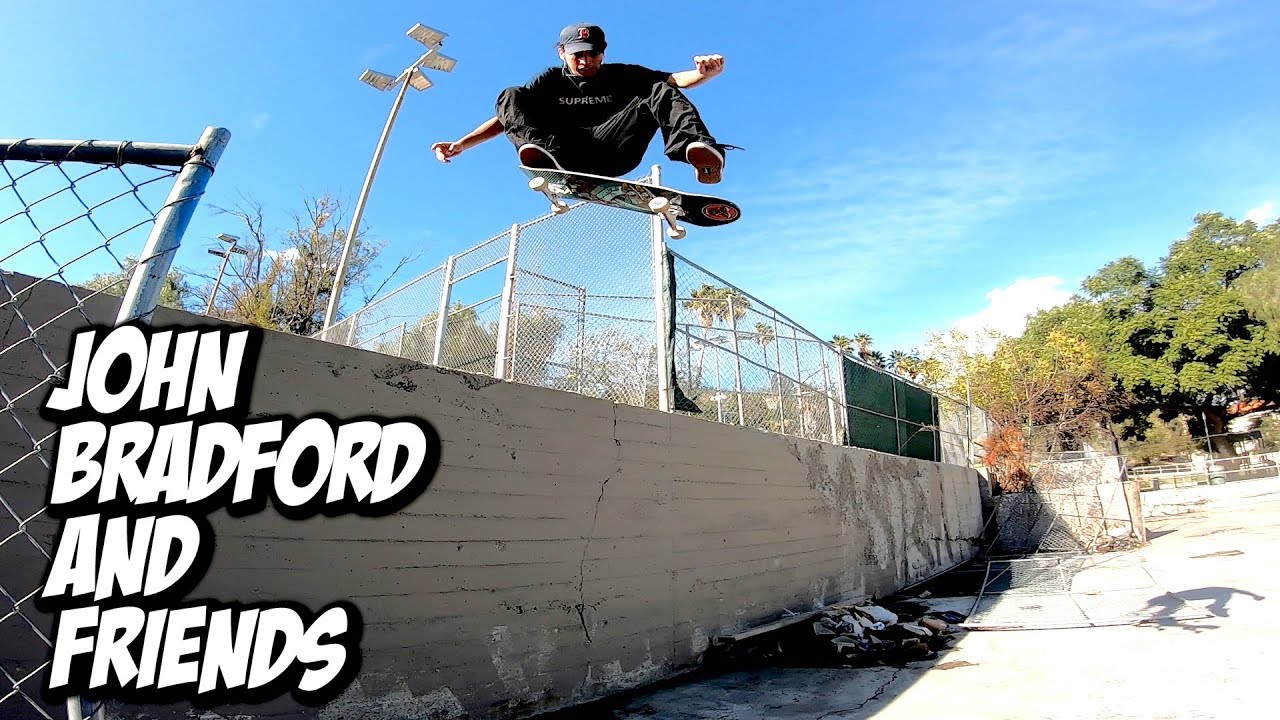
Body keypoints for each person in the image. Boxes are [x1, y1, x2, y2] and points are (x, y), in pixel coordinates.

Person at [431, 23, 735, 184]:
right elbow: (509, 116)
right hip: (564, 155)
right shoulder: (550, 79)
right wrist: (462, 144)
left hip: (617, 151)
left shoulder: (623, 74)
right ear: (562, 53)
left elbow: (675, 81)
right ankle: (539, 157)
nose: (586, 61)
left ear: (603, 52)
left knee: (657, 89)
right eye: (578, 55)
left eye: (593, 54)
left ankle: (699, 153)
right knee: (511, 94)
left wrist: (703, 73)